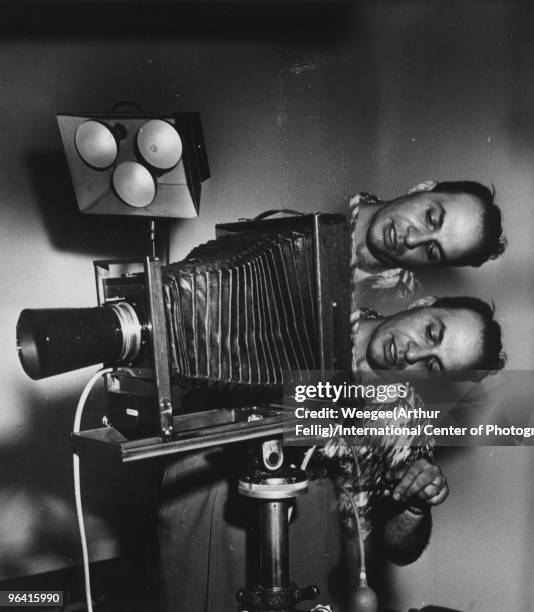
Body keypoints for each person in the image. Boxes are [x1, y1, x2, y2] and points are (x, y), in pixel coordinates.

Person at [159, 296, 505, 611]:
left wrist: (414, 503)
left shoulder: (406, 425)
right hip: (209, 496)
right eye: (432, 332)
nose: (413, 355)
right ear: (425, 302)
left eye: (432, 367)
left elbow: (401, 549)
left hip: (299, 546)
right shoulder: (324, 295)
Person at [350, 180, 507, 310]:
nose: (412, 240)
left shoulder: (379, 301)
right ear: (421, 188)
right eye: (430, 219)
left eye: (432, 252)